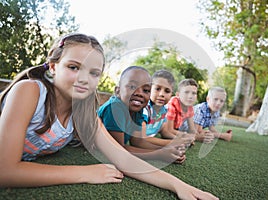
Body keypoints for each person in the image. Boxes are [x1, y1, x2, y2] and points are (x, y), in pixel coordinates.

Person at [0, 33, 218, 200]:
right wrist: (84, 173)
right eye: (74, 67)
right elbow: (6, 171)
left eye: (94, 73)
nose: (84, 78)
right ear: (53, 66)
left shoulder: (83, 112)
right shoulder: (30, 91)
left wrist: (177, 185)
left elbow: (122, 157)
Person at [98, 66, 186, 164]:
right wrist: (159, 154)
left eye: (146, 90)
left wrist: (168, 149)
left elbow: (138, 141)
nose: (140, 93)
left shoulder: (138, 110)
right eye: (132, 87)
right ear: (117, 91)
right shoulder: (115, 108)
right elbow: (118, 149)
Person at [142, 70, 192, 148]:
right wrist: (172, 143)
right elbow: (142, 138)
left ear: (171, 94)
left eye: (167, 91)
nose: (162, 94)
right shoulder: (145, 109)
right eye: (157, 89)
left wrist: (181, 139)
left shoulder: (165, 109)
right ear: (149, 89)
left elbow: (164, 131)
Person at [163, 78, 211, 143]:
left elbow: (192, 129)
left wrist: (200, 134)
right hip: (160, 127)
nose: (190, 96)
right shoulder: (172, 104)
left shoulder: (189, 107)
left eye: (194, 93)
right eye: (186, 92)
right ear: (178, 94)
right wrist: (195, 137)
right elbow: (169, 130)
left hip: (174, 129)